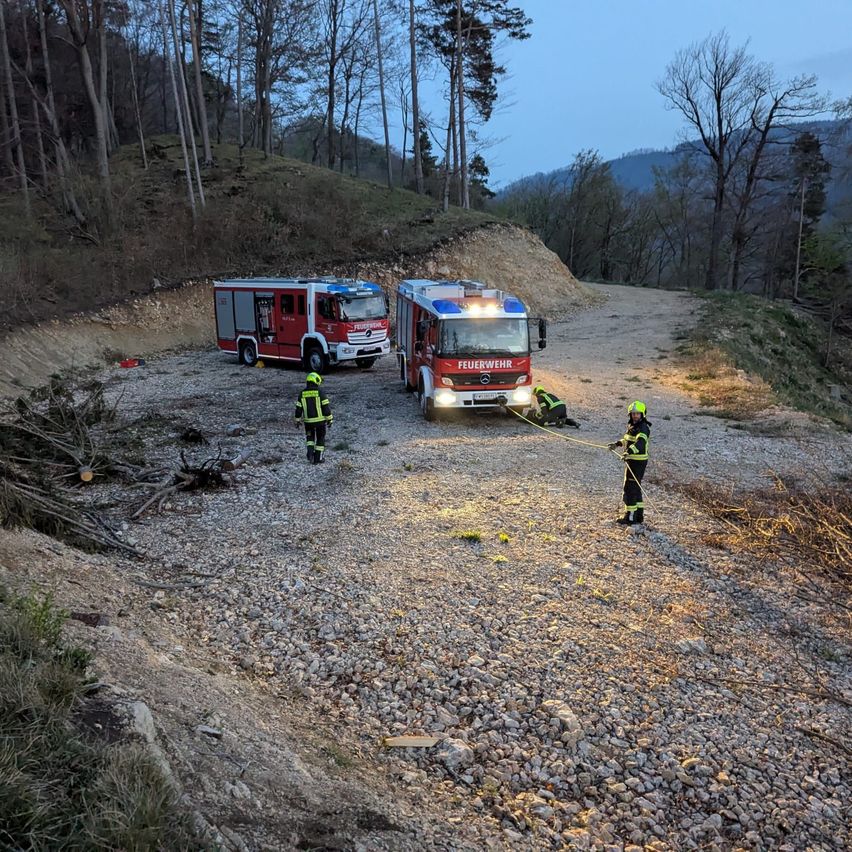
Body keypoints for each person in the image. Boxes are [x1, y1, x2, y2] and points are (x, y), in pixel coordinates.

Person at [608, 400, 651, 525]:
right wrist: (617, 444)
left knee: (630, 488)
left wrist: (630, 452)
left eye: (638, 414)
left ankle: (630, 517)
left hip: (637, 462)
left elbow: (640, 443)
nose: (635, 416)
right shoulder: (632, 426)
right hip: (632, 460)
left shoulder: (643, 428)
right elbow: (628, 439)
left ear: (643, 414)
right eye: (633, 414)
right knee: (636, 488)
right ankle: (638, 516)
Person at [294, 372, 333, 464]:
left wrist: (297, 420)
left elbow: (298, 409)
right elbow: (326, 408)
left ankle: (310, 454)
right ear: (316, 381)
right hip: (320, 422)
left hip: (308, 423)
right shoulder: (320, 392)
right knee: (320, 438)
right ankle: (317, 459)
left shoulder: (302, 393)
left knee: (310, 437)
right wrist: (329, 419)